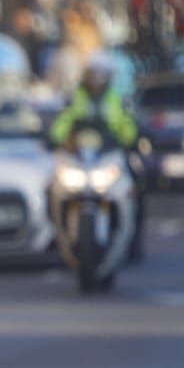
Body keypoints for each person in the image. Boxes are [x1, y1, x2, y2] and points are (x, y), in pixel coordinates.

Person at [49, 51, 144, 258]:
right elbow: (64, 121)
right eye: (92, 74)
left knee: (136, 180)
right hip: (82, 157)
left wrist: (129, 140)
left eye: (100, 75)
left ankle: (135, 238)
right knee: (53, 185)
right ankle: (54, 234)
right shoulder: (76, 97)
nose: (96, 80)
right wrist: (54, 138)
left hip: (109, 154)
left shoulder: (116, 99)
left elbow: (126, 125)